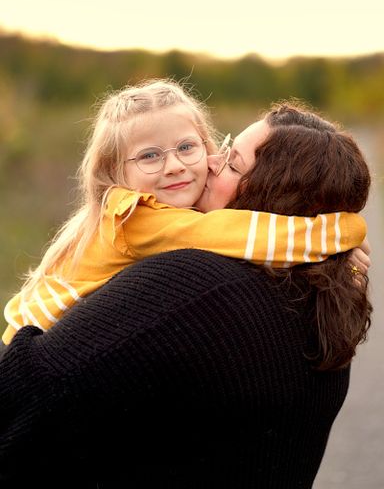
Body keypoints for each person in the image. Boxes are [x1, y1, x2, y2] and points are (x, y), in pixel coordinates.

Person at [0, 101, 371, 488]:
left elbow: (30, 396)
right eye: (223, 147)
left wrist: (338, 234)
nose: (211, 162)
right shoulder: (322, 307)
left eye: (231, 162)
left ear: (270, 197)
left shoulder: (194, 282)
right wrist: (339, 244)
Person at [2, 81, 366, 344]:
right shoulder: (136, 215)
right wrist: (337, 233)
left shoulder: (175, 219)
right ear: (115, 174)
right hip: (28, 345)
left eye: (187, 147)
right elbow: (237, 234)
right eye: (150, 155)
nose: (175, 165)